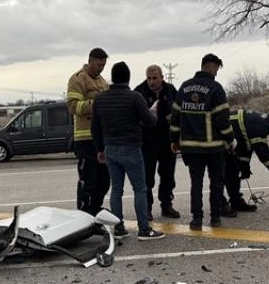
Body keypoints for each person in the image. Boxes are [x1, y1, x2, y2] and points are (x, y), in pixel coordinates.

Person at [91, 61, 165, 241]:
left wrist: (100, 149)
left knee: (116, 189)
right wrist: (153, 112)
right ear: (128, 78)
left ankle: (118, 228)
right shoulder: (135, 97)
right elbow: (150, 122)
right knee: (140, 188)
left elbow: (95, 127)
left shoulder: (100, 99)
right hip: (131, 148)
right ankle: (144, 229)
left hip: (110, 148)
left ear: (112, 77)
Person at [169, 53, 234, 230]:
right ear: (211, 67)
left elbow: (175, 117)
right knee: (216, 182)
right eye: (216, 69)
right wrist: (230, 140)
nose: (216, 73)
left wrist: (173, 139)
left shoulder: (184, 87)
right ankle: (215, 218)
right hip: (214, 148)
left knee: (196, 183)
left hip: (191, 148)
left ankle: (196, 220)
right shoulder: (216, 88)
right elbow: (223, 120)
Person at [133, 65, 181, 219]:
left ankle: (167, 204)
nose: (151, 82)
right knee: (147, 177)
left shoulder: (170, 90)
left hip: (167, 140)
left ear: (162, 77)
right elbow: (132, 116)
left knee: (168, 174)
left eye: (155, 78)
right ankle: (146, 207)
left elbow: (179, 109)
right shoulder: (139, 92)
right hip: (147, 141)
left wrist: (174, 118)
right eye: (149, 78)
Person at [67, 47, 110, 214]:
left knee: (104, 179)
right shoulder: (78, 79)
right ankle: (85, 212)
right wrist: (95, 104)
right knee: (88, 179)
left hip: (101, 139)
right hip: (85, 139)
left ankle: (96, 208)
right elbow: (73, 106)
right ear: (90, 61)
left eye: (103, 65)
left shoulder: (103, 82)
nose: (101, 68)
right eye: (99, 64)